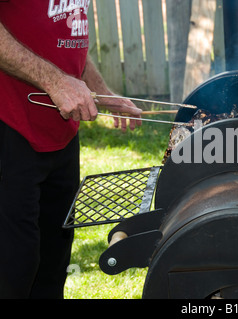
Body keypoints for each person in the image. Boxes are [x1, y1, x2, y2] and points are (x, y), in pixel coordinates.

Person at [0, 1, 142, 298]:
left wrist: (101, 92)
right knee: (14, 265)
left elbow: (63, 39)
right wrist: (54, 81)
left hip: (61, 134)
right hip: (9, 124)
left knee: (54, 261)